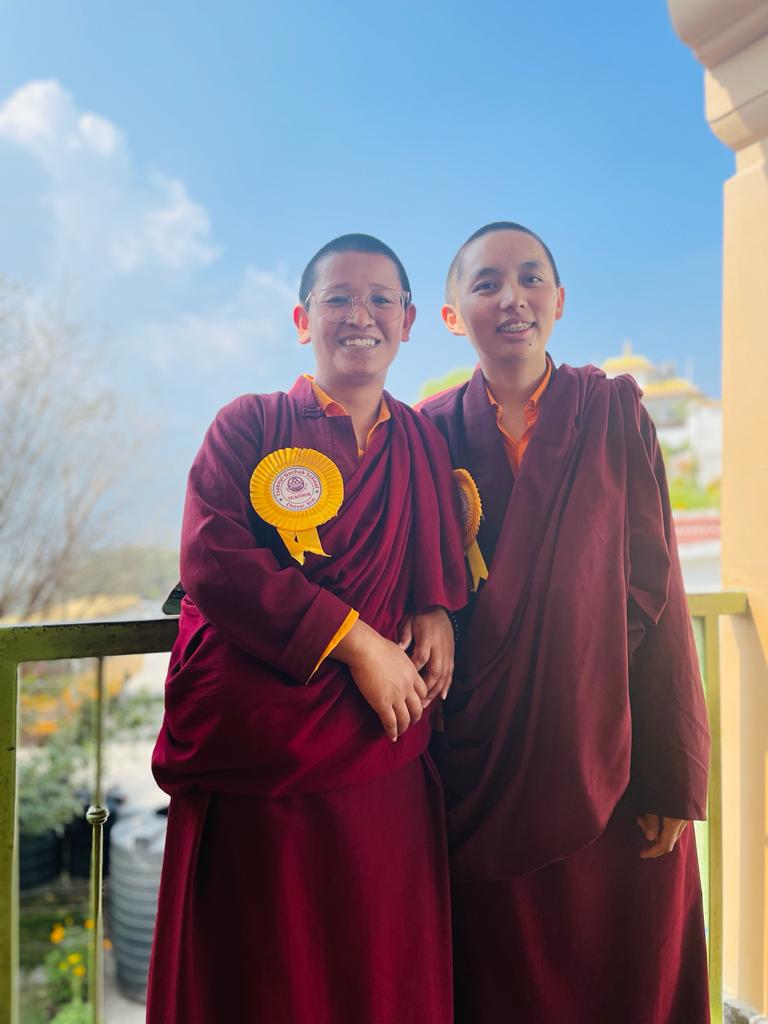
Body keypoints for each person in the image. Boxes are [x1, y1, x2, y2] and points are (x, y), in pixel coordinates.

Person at [147, 233, 467, 1024]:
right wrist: (357, 644)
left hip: (380, 758)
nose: (360, 316)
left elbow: (432, 554)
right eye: (338, 299)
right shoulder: (249, 425)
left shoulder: (421, 440)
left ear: (408, 321)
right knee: (269, 972)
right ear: (302, 320)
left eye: (380, 300)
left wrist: (436, 606)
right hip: (269, 760)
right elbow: (213, 558)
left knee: (376, 967)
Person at [416, 221, 711, 1023]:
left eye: (530, 278)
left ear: (560, 299)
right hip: (486, 769)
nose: (512, 298)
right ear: (452, 315)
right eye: (485, 284)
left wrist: (671, 771)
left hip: (614, 752)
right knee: (504, 982)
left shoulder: (613, 414)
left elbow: (661, 588)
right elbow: (404, 576)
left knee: (627, 975)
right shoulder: (428, 433)